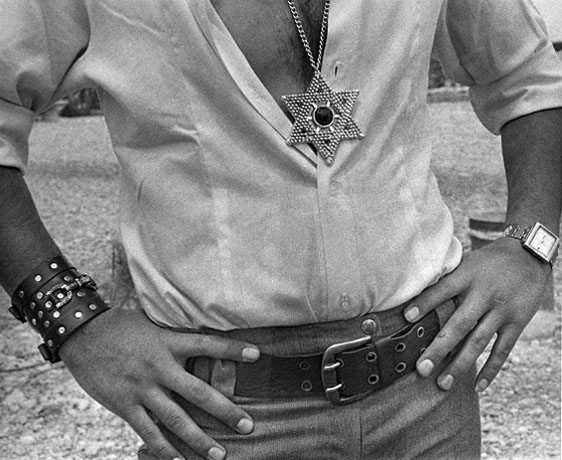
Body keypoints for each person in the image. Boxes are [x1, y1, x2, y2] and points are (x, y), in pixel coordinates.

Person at [1, 0, 561, 459]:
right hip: (225, 415)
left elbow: (530, 75)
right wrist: (72, 322)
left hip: (430, 386)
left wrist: (530, 246)